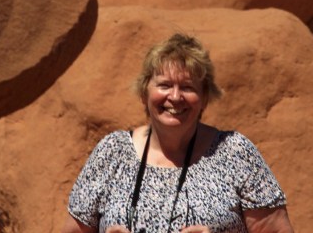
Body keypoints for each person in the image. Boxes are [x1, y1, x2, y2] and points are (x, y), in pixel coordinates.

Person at [62, 33, 294, 233]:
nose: (175, 97)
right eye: (164, 85)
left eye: (187, 87)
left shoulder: (235, 152)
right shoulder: (112, 152)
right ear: (144, 93)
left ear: (204, 98)